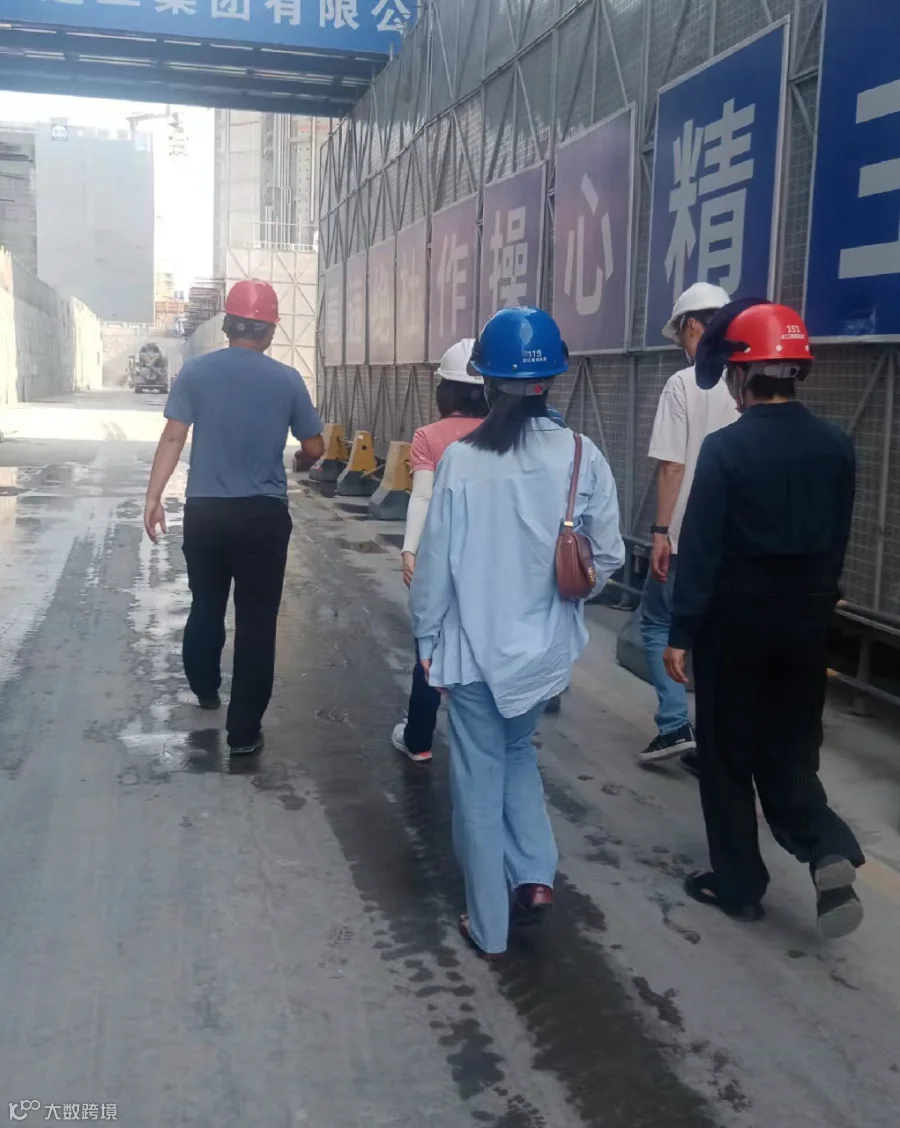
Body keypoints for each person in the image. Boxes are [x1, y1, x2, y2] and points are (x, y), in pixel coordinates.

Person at [410, 307, 625, 959]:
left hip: (474, 653)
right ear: (552, 378)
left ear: (485, 380)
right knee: (518, 751)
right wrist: (560, 606)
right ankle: (533, 875)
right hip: (543, 655)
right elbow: (607, 557)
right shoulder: (583, 456)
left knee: (478, 782)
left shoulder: (462, 462)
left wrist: (426, 640)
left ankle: (489, 925)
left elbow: (435, 567)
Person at [664, 299, 865, 939]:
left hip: (735, 622)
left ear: (742, 374)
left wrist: (681, 632)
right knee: (789, 749)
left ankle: (740, 886)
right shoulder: (836, 446)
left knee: (726, 754)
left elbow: (701, 550)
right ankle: (827, 846)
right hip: (806, 622)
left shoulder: (726, 449)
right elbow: (838, 539)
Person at [143, 280, 325, 755]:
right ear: (270, 331)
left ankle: (206, 689)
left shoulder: (196, 372)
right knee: (257, 622)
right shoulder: (287, 379)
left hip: (206, 512)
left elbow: (173, 437)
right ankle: (243, 734)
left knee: (206, 603)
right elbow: (314, 446)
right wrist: (303, 460)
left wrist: (154, 496)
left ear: (227, 325)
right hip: (262, 515)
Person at [639, 282, 737, 769]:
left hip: (686, 535)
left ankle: (675, 724)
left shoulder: (683, 384)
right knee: (719, 639)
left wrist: (660, 533)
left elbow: (672, 466)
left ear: (692, 325)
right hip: (736, 539)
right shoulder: (747, 378)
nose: (681, 341)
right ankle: (718, 744)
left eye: (680, 332)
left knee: (658, 623)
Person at [392, 338, 488, 763]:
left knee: (430, 645)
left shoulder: (428, 436)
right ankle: (480, 743)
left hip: (441, 557)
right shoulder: (502, 434)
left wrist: (410, 550)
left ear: (444, 390)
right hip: (489, 559)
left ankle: (419, 740)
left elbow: (422, 497)